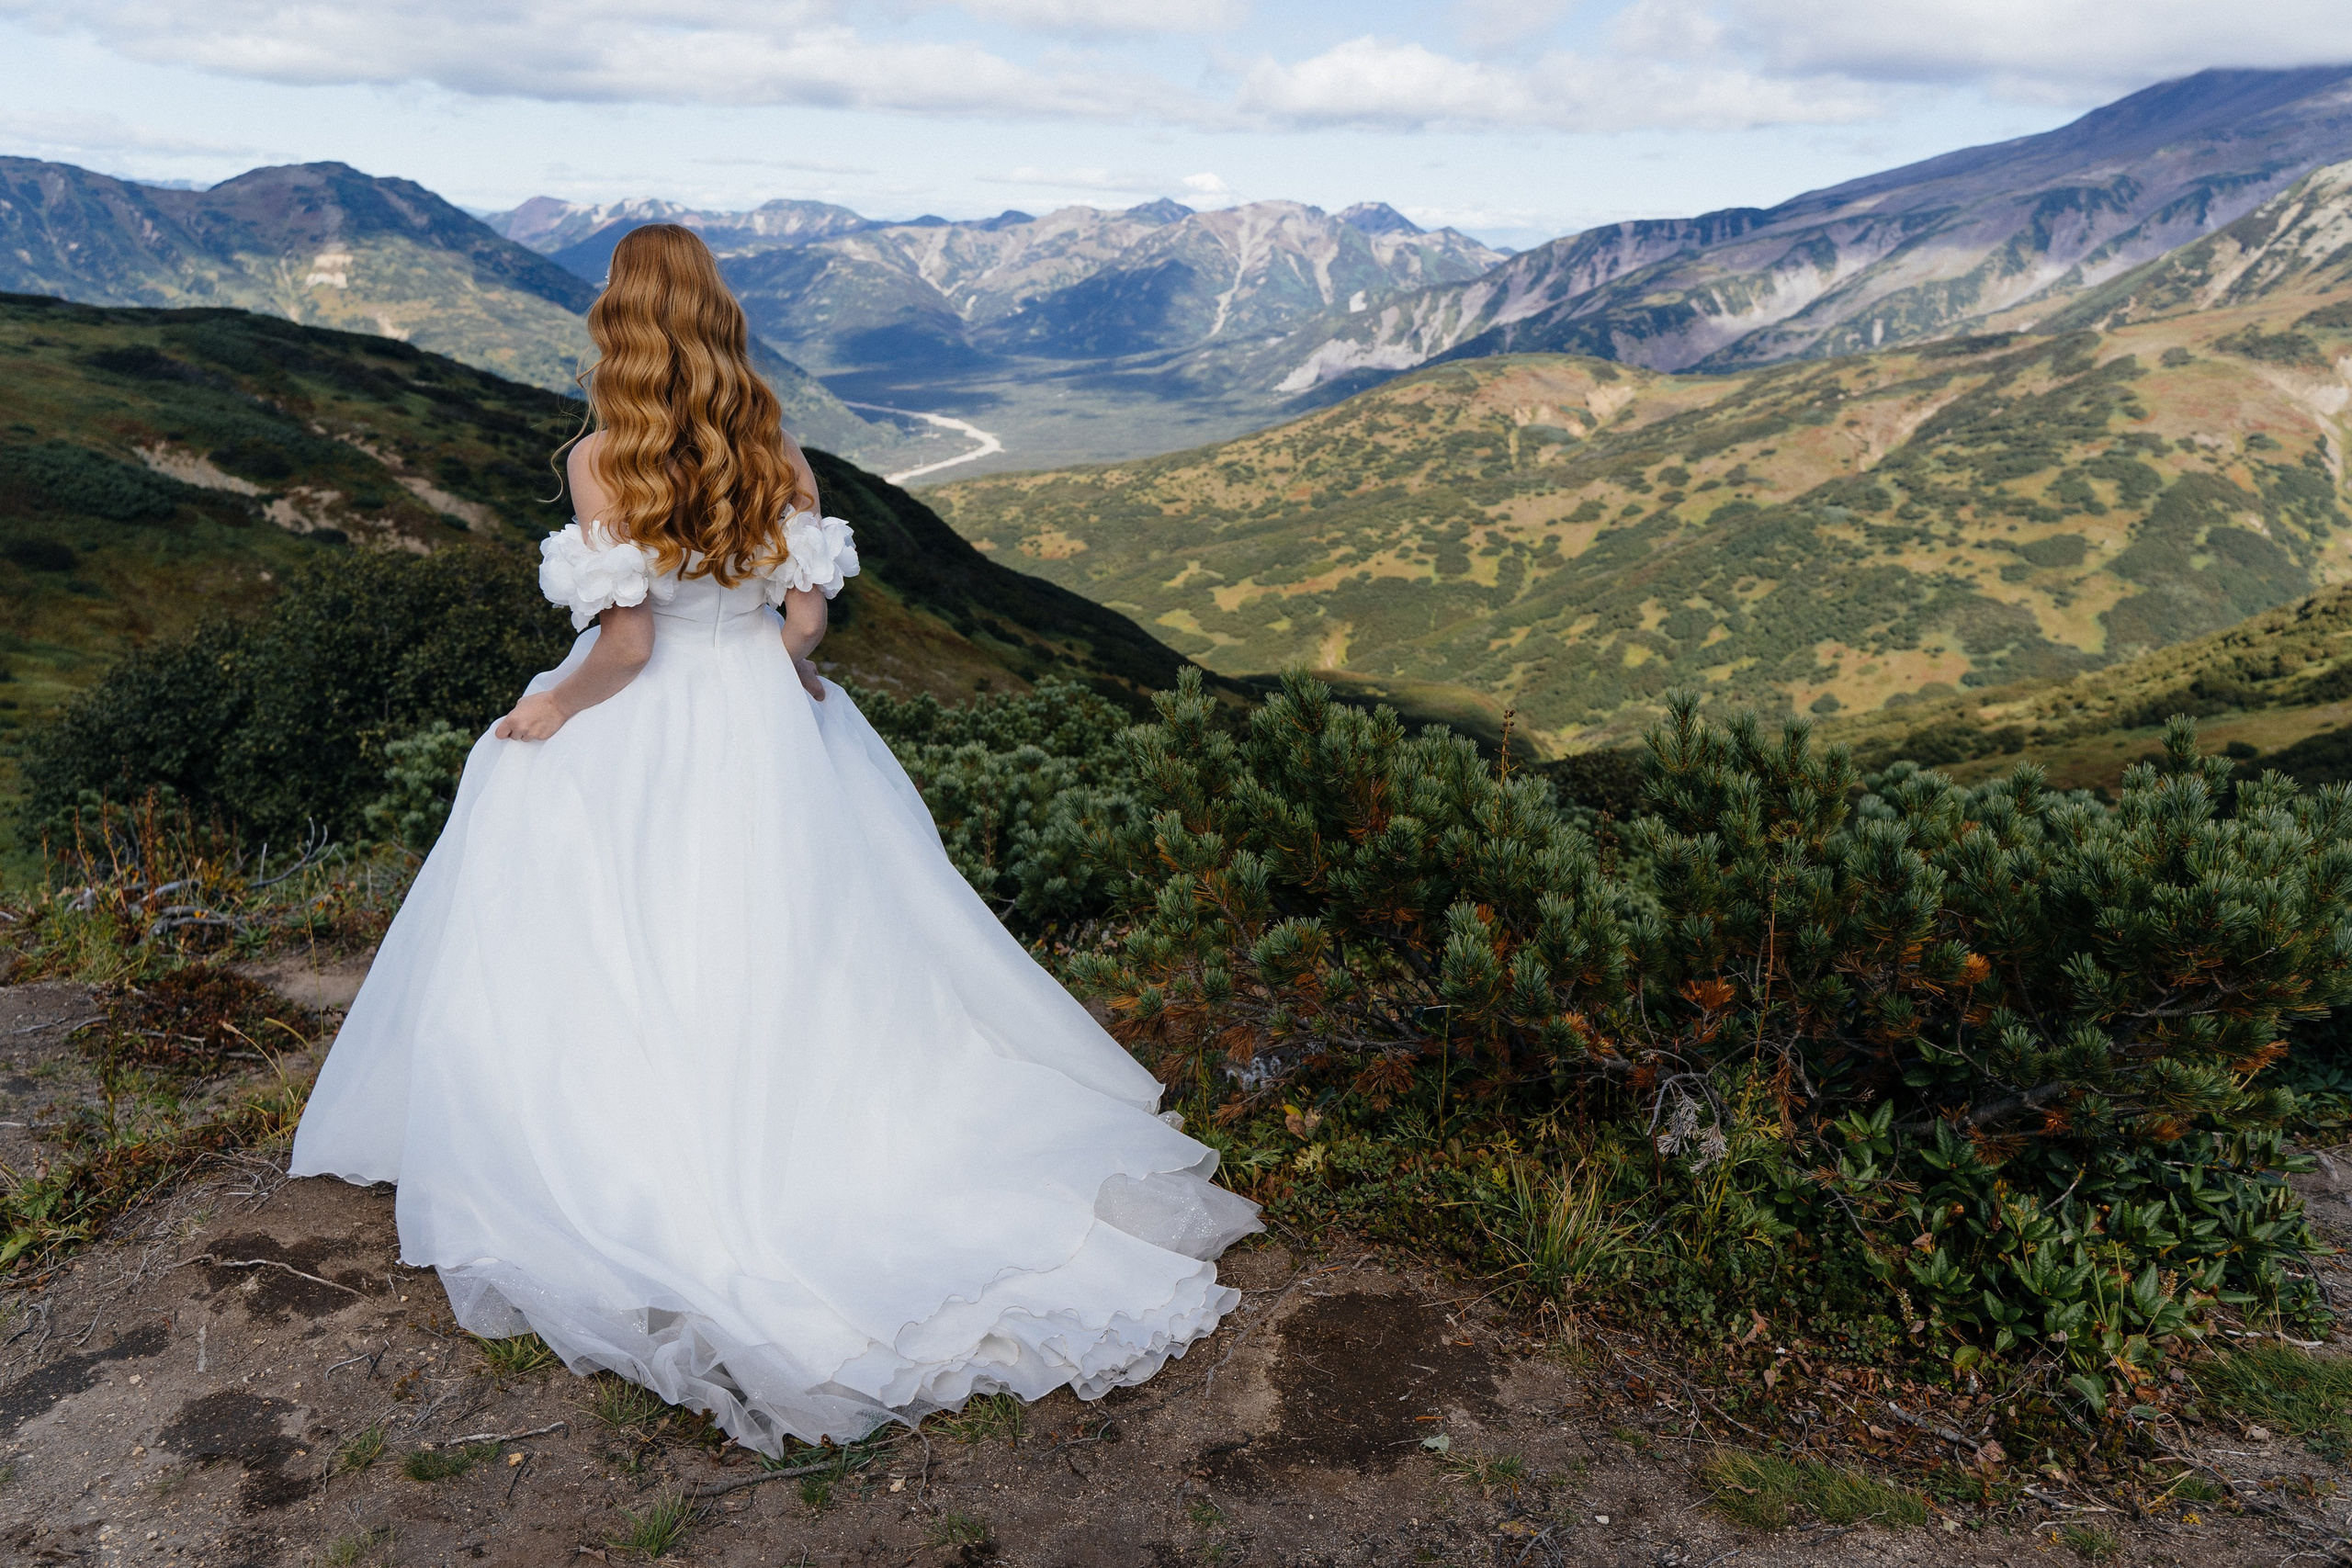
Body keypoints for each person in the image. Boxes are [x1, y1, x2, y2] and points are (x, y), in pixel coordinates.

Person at [288, 223, 1259, 1452]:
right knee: (809, 944)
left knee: (606, 897)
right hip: (765, 714)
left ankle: (631, 1132)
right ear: (721, 318)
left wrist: (548, 707)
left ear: (620, 327)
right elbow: (805, 624)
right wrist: (777, 676)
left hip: (650, 718)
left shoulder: (601, 459)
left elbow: (628, 646)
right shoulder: (778, 450)